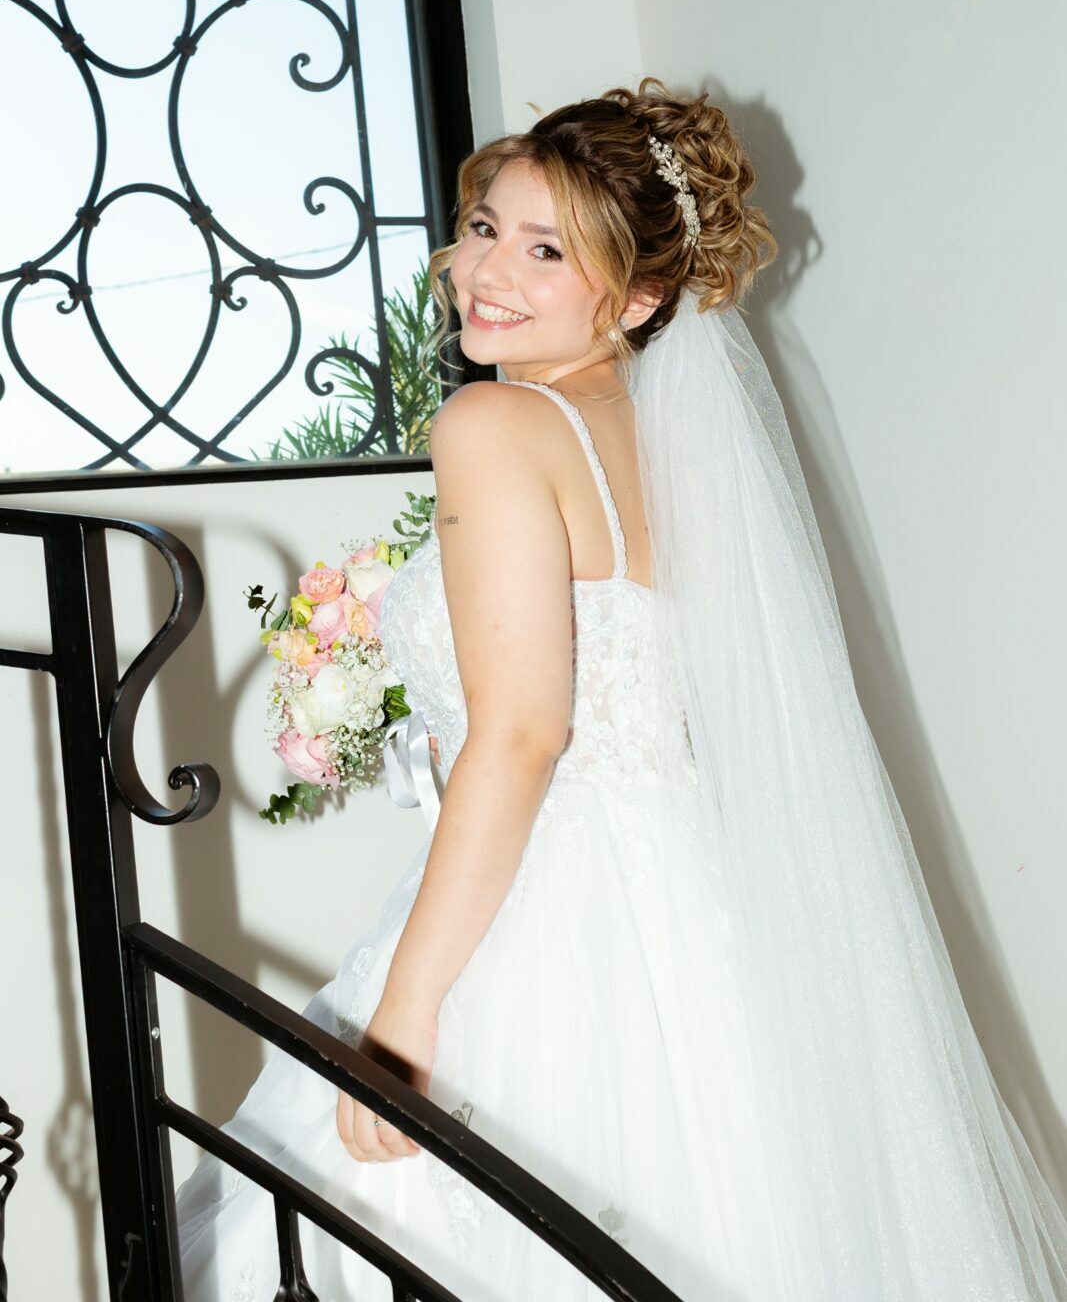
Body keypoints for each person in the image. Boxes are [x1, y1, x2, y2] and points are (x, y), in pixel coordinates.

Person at [175, 76, 1067, 1300]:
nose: (488, 270)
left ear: (637, 296)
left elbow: (524, 734)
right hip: (701, 911)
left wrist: (404, 1012)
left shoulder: (493, 425)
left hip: (553, 914)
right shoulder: (666, 438)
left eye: (546, 250)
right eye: (485, 226)